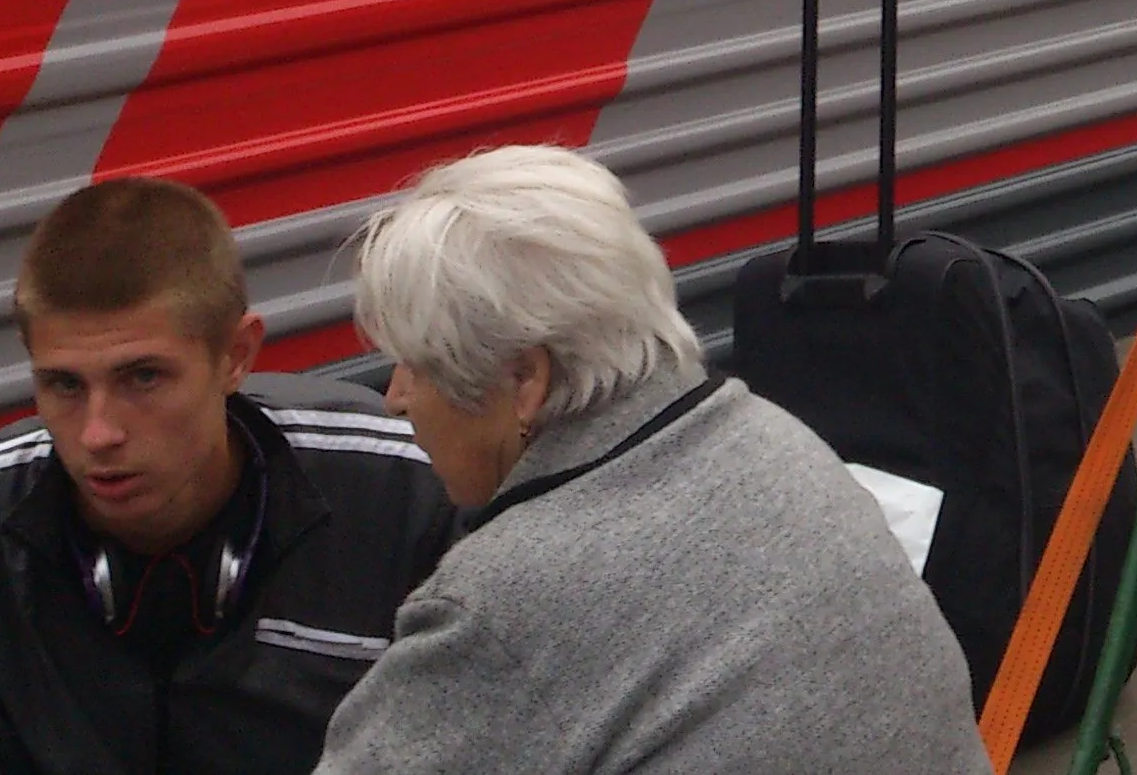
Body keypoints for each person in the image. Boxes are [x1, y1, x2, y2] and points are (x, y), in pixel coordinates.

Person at [316, 144, 982, 775]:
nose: (396, 399)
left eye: (417, 366)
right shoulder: (772, 440)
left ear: (524, 381)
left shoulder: (505, 605)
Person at [0, 179, 456, 775]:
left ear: (235, 356)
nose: (98, 434)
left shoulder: (408, 493)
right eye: (64, 385)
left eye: (142, 378)